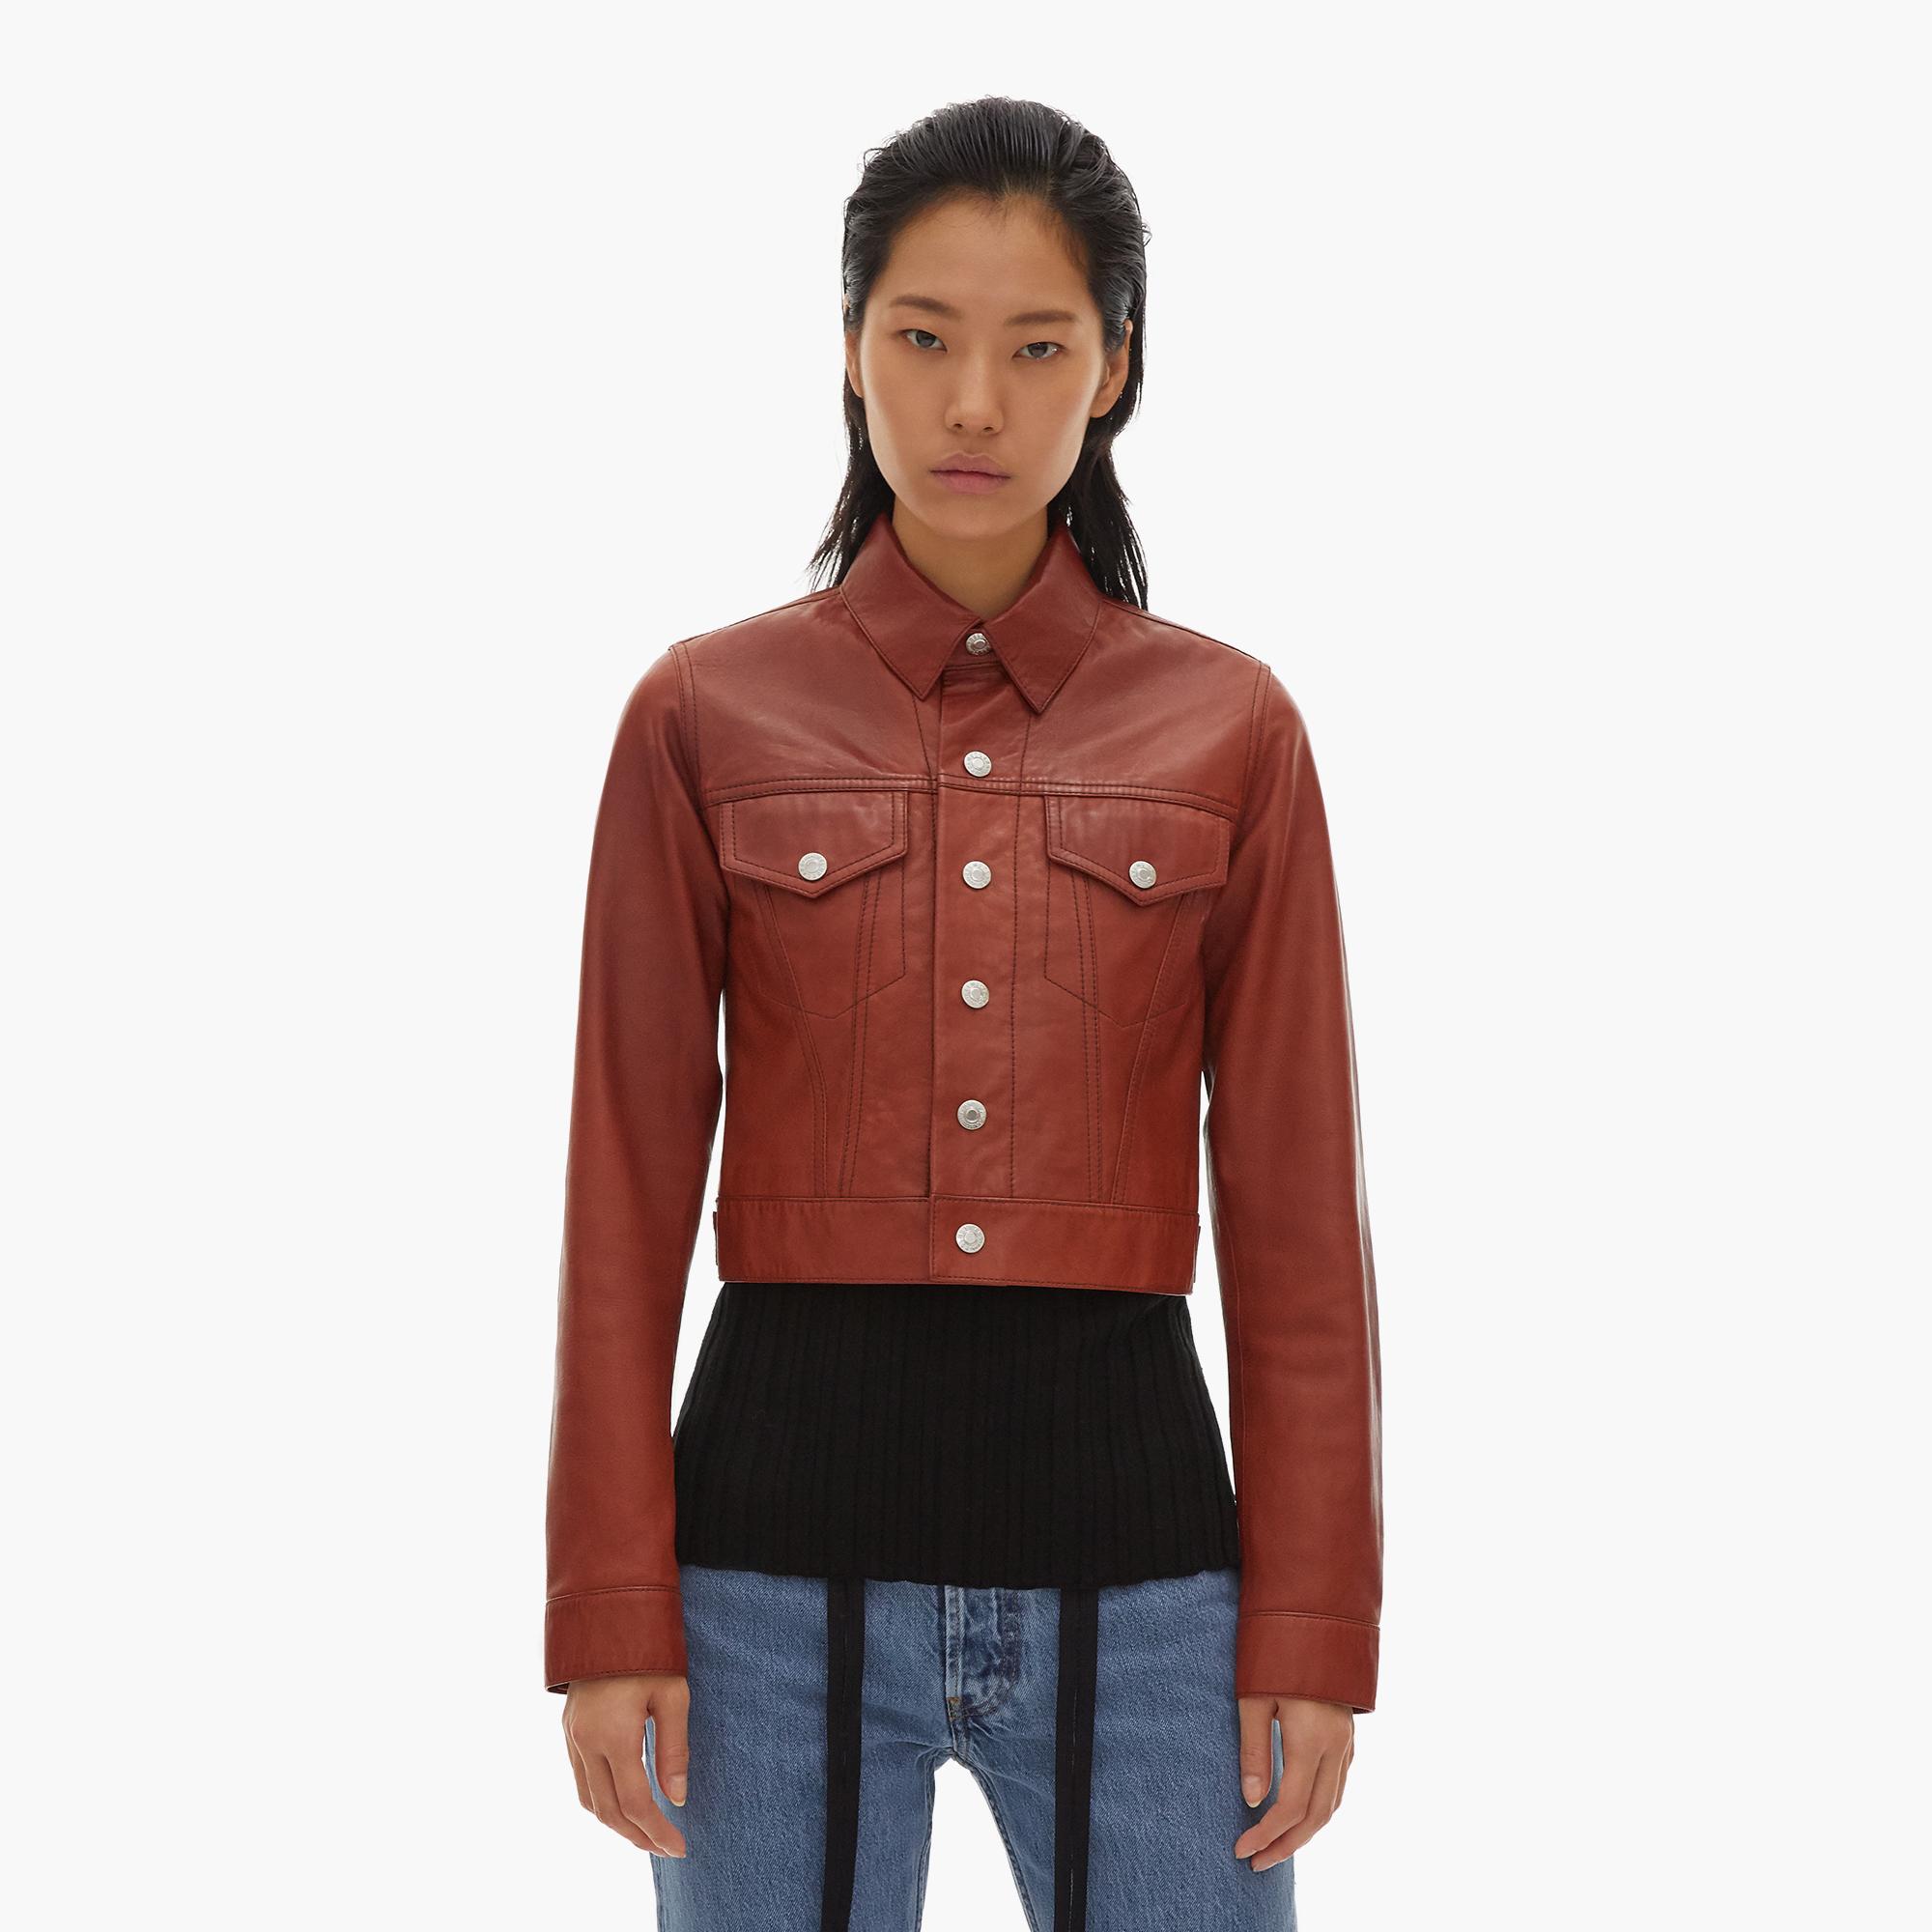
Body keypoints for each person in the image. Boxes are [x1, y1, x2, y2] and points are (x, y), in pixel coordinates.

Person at [544, 95, 1383, 1932]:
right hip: (756, 1593)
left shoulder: (1234, 731)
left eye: (1039, 347)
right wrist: (610, 1609)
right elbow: (621, 1192)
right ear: (850, 347)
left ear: (1118, 368)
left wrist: (1314, 1624)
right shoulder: (700, 715)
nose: (976, 404)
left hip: (1152, 1593)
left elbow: (1299, 1222)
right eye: (924, 339)